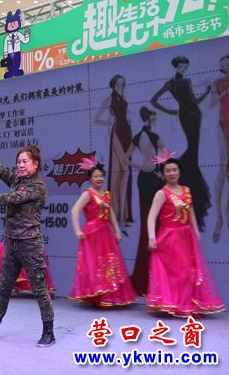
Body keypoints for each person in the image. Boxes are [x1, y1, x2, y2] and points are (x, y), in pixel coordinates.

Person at [0, 134, 55, 347]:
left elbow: (14, 198)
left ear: (35, 164)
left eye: (25, 161)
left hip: (30, 244)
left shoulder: (38, 186)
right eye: (18, 162)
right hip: (11, 243)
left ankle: (49, 332)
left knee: (39, 288)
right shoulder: (16, 181)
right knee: (4, 287)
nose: (20, 165)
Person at [146, 151, 225, 317]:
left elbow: (191, 213)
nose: (172, 173)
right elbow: (151, 216)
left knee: (188, 271)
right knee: (175, 272)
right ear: (163, 173)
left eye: (174, 170)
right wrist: (152, 237)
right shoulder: (162, 193)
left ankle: (186, 303)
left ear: (179, 171)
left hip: (186, 236)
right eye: (168, 170)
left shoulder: (186, 190)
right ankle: (174, 304)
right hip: (169, 237)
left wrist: (196, 232)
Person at [150, 56, 212, 230]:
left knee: (194, 151)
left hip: (196, 114)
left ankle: (187, 187)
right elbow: (154, 100)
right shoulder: (170, 83)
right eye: (181, 66)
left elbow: (193, 100)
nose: (184, 69)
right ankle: (185, 182)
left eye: (185, 66)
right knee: (191, 150)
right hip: (185, 115)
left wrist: (206, 92)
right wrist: (170, 111)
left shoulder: (188, 81)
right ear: (176, 66)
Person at [69, 158, 137, 307]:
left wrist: (117, 231)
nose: (99, 179)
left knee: (109, 264)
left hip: (106, 233)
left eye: (101, 176)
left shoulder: (106, 194)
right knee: (95, 264)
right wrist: (77, 230)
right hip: (92, 233)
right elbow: (75, 210)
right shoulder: (88, 193)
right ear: (90, 178)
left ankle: (108, 296)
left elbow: (111, 213)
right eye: (96, 176)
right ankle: (97, 296)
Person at [124, 107, 166, 296]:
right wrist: (155, 165)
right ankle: (149, 275)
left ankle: (153, 274)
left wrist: (143, 165)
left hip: (146, 177)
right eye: (153, 117)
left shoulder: (142, 136)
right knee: (152, 221)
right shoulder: (152, 136)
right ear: (148, 118)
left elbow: (126, 159)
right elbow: (166, 155)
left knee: (153, 220)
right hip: (152, 178)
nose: (155, 119)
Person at [94, 74, 133, 234]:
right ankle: (119, 216)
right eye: (118, 84)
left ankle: (121, 215)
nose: (120, 86)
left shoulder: (123, 97)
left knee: (123, 173)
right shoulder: (109, 99)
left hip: (127, 133)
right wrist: (110, 122)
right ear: (113, 85)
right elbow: (97, 119)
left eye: (122, 84)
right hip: (117, 133)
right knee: (123, 172)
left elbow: (126, 115)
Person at [211, 55, 229, 242]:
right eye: (223, 65)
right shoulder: (218, 83)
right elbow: (211, 103)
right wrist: (223, 94)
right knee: (223, 170)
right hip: (223, 127)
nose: (226, 67)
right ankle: (219, 218)